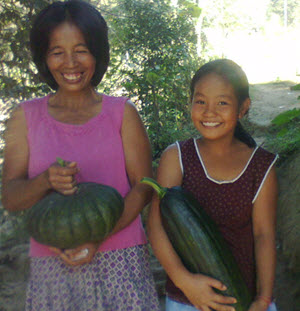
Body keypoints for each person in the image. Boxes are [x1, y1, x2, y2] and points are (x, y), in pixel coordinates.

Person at [1, 1, 160, 310]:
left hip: (121, 261)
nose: (70, 63)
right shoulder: (26, 117)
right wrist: (45, 180)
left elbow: (144, 186)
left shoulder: (122, 114)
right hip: (53, 265)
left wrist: (96, 239)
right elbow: (10, 197)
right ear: (44, 58)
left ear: (97, 52)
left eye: (81, 49)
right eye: (57, 52)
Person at [147, 59, 278, 311]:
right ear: (190, 104)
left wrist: (263, 298)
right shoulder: (177, 157)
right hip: (188, 298)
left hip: (245, 300)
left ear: (243, 108)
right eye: (200, 101)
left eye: (222, 102)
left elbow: (264, 236)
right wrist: (185, 282)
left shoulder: (261, 166)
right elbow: (156, 225)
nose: (209, 111)